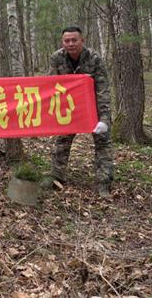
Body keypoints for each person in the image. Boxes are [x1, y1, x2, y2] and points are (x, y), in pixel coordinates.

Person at [43, 26, 113, 197]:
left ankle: (104, 183)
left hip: (93, 107)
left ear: (82, 40)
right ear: (62, 42)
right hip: (69, 108)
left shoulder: (94, 58)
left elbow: (102, 90)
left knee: (103, 143)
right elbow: (50, 85)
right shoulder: (57, 58)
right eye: (67, 41)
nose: (71, 44)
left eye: (74, 40)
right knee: (62, 142)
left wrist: (104, 118)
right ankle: (56, 177)